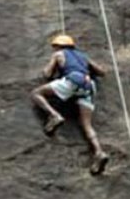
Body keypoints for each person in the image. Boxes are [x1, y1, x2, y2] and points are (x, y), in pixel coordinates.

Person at [30, 34, 109, 174]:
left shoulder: (59, 54)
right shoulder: (83, 56)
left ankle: (54, 115)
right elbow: (101, 72)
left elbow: (47, 74)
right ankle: (99, 152)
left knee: (36, 93)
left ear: (58, 46)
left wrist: (50, 70)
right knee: (87, 124)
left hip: (72, 80)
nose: (53, 50)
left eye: (54, 47)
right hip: (88, 85)